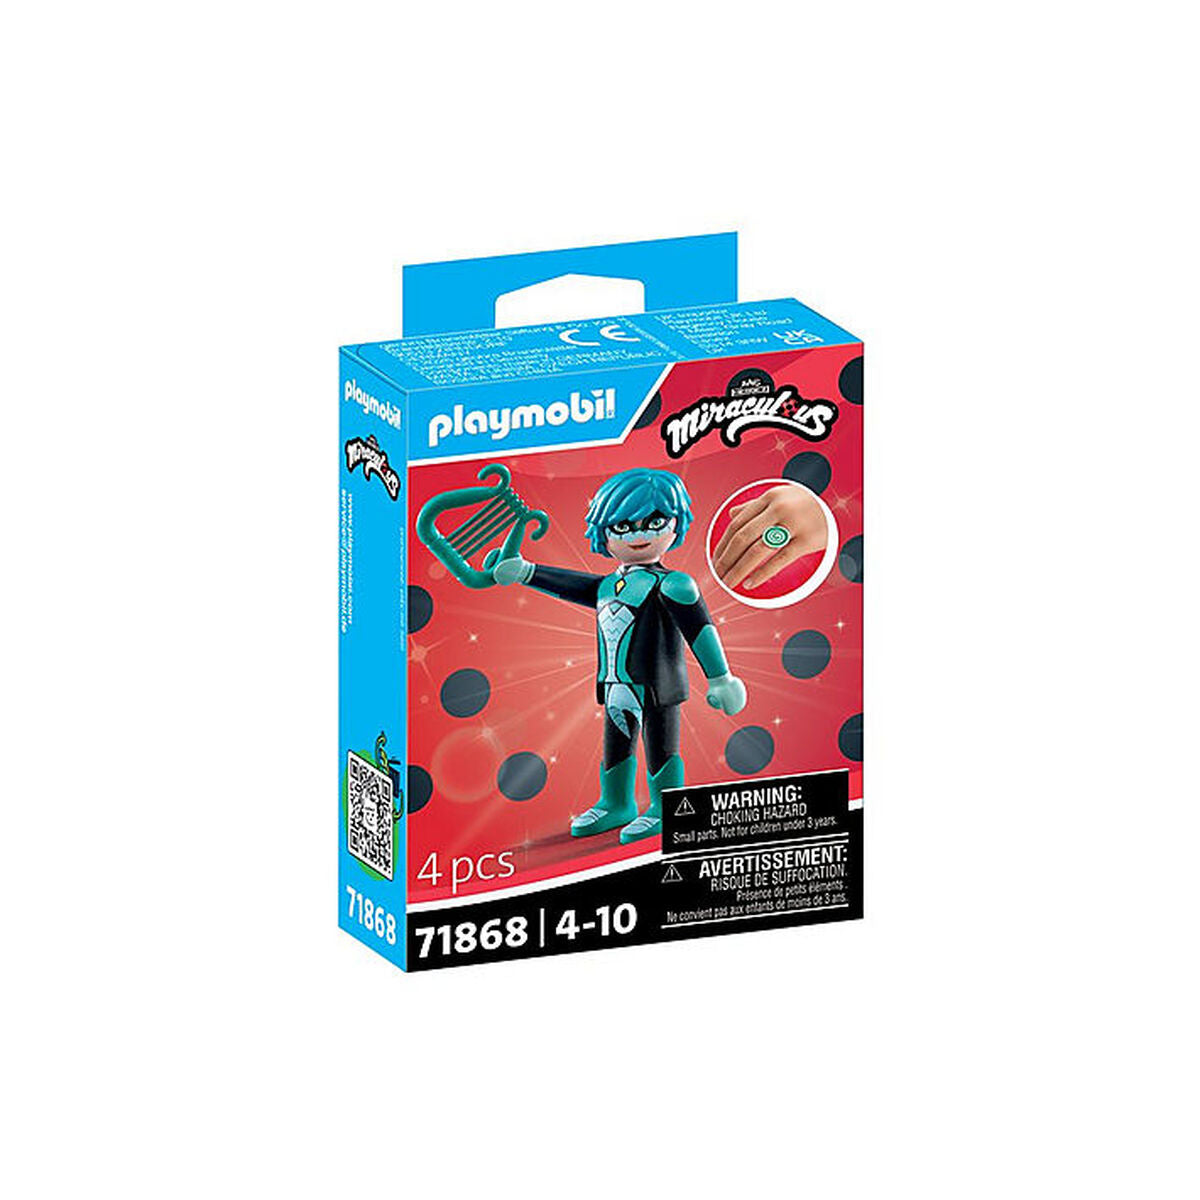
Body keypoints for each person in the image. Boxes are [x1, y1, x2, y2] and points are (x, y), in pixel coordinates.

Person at [492, 468, 747, 844]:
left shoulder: (674, 584)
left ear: (675, 523)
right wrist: (527, 572)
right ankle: (616, 803)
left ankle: (665, 806)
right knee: (617, 744)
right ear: (604, 532)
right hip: (614, 684)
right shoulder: (607, 585)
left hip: (658, 687)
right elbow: (571, 584)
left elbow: (700, 629)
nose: (638, 535)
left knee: (661, 747)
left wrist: (721, 677)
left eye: (655, 522)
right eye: (623, 527)